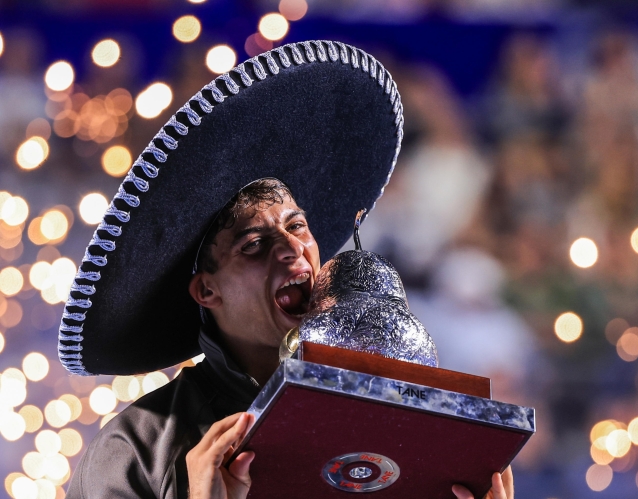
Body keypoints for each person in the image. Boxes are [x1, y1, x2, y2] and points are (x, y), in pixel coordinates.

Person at [60, 41, 514, 499]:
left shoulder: (399, 419)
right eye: (254, 244)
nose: (292, 248)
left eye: (297, 225)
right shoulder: (137, 450)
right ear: (206, 290)